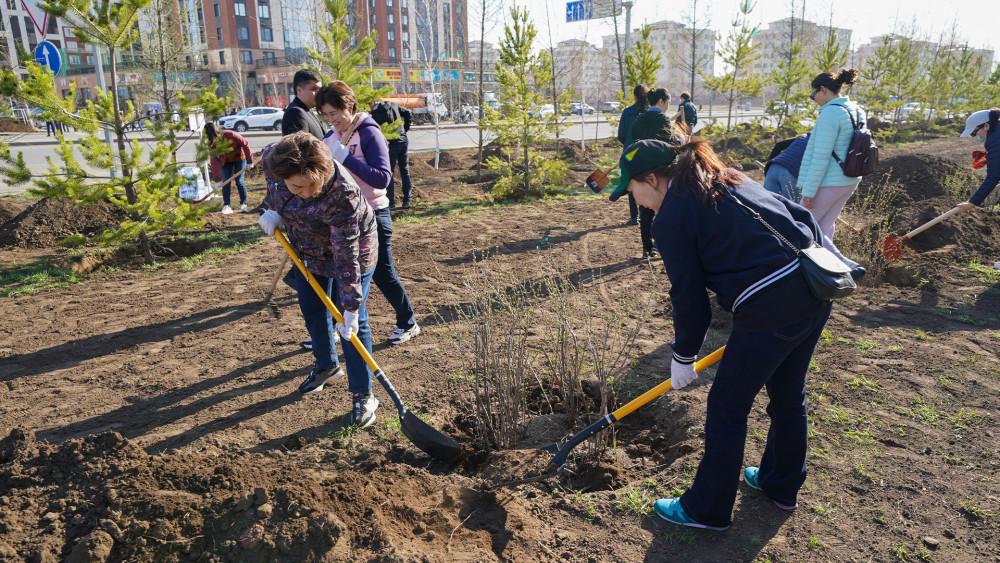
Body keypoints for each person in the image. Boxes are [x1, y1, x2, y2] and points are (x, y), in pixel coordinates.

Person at [608, 138, 833, 531]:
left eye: (633, 190)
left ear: (652, 178)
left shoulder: (672, 217)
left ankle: (706, 509)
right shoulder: (727, 178)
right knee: (788, 391)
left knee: (727, 406)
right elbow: (800, 215)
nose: (636, 200)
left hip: (771, 309)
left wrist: (683, 356)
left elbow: (689, 298)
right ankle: (781, 484)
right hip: (815, 289)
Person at [258, 132, 381, 426]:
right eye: (296, 187)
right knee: (312, 310)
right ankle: (326, 365)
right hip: (306, 249)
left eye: (311, 187)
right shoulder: (272, 160)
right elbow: (272, 189)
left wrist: (350, 306)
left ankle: (364, 394)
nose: (305, 193)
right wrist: (272, 210)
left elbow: (346, 256)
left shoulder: (343, 196)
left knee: (349, 324)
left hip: (352, 253)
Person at [318, 81, 421, 345]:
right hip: (342, 217)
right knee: (338, 273)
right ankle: (335, 325)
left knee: (382, 273)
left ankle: (407, 322)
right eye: (325, 114)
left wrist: (347, 159)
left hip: (373, 213)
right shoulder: (329, 138)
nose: (331, 120)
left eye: (335, 113)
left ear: (349, 106)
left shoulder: (368, 132)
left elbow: (383, 178)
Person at [796, 68, 866, 276]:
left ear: (823, 90)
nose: (814, 99)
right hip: (850, 178)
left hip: (829, 180)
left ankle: (843, 264)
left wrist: (808, 190)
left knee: (803, 224)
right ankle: (828, 269)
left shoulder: (830, 114)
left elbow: (821, 155)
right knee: (825, 226)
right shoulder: (855, 110)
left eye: (813, 94)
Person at [628, 87, 677, 258]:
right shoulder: (663, 120)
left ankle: (646, 247)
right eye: (668, 102)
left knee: (645, 210)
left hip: (642, 170)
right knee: (663, 208)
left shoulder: (639, 120)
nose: (668, 106)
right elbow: (667, 147)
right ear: (662, 101)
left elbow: (635, 141)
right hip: (660, 172)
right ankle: (658, 244)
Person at [370, 99, 414, 209]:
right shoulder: (393, 104)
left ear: (372, 103)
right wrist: (404, 129)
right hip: (403, 140)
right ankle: (407, 200)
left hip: (390, 143)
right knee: (405, 170)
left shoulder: (375, 113)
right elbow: (408, 112)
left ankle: (391, 203)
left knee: (389, 173)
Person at [617, 84, 649, 227]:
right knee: (646, 182)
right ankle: (646, 214)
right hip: (646, 153)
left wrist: (629, 145)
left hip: (630, 153)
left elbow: (621, 135)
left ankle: (634, 217)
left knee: (631, 182)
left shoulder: (627, 112)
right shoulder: (649, 112)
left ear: (634, 96)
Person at [957, 109, 1000, 214]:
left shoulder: (995, 141)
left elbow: (993, 176)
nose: (975, 137)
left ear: (986, 126)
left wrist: (971, 203)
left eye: (974, 133)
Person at [204, 123, 253, 214]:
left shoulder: (230, 135)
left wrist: (249, 161)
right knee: (226, 181)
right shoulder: (211, 144)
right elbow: (214, 160)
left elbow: (245, 144)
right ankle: (227, 205)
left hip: (239, 159)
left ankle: (243, 204)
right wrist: (217, 180)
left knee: (239, 181)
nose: (213, 141)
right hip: (226, 161)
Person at [763, 134, 809, 201]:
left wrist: (768, 166)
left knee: (767, 204)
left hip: (773, 167)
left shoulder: (802, 137)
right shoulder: (821, 144)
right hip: (790, 173)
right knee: (793, 208)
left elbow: (779, 145)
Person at [281, 69, 325, 139]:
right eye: (313, 89)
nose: (318, 93)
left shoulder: (306, 110)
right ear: (299, 90)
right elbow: (299, 147)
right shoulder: (295, 113)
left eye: (319, 90)